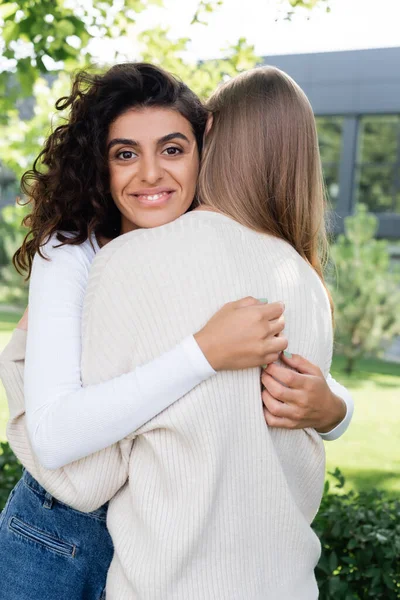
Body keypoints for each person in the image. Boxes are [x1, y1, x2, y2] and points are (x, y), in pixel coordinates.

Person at [0, 64, 352, 600]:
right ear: (101, 165)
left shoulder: (210, 258)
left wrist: (335, 409)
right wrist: (203, 353)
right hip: (59, 527)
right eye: (124, 154)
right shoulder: (75, 252)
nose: (150, 174)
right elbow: (60, 442)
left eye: (172, 150)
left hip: (151, 535)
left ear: (204, 150)